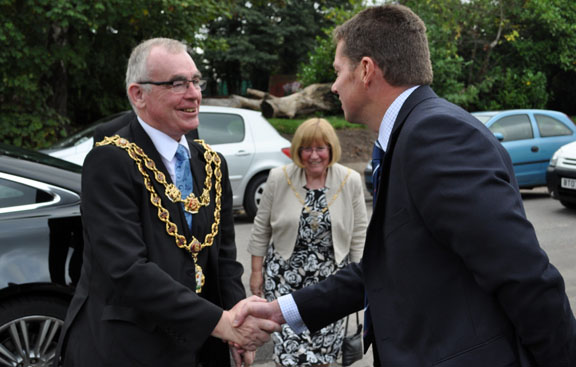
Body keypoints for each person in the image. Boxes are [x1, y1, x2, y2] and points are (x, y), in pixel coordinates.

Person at [234, 5, 576, 367]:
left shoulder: (436, 135)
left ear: (366, 70)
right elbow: (385, 267)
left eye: (337, 71)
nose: (333, 85)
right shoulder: (411, 135)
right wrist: (279, 311)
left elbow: (522, 274)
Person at [55, 37, 279, 367]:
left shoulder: (213, 164)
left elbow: (224, 260)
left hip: (201, 349)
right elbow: (127, 270)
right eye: (177, 83)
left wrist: (237, 317)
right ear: (138, 95)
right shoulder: (110, 162)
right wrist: (222, 324)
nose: (194, 94)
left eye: (195, 81)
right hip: (127, 349)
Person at [248, 118, 368, 366]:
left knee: (323, 353)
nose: (314, 155)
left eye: (320, 148)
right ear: (298, 151)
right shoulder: (278, 178)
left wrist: (359, 280)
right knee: (290, 354)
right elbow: (261, 228)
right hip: (284, 281)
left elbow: (359, 233)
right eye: (307, 148)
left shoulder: (350, 180)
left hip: (331, 283)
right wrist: (256, 272)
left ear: (331, 149)